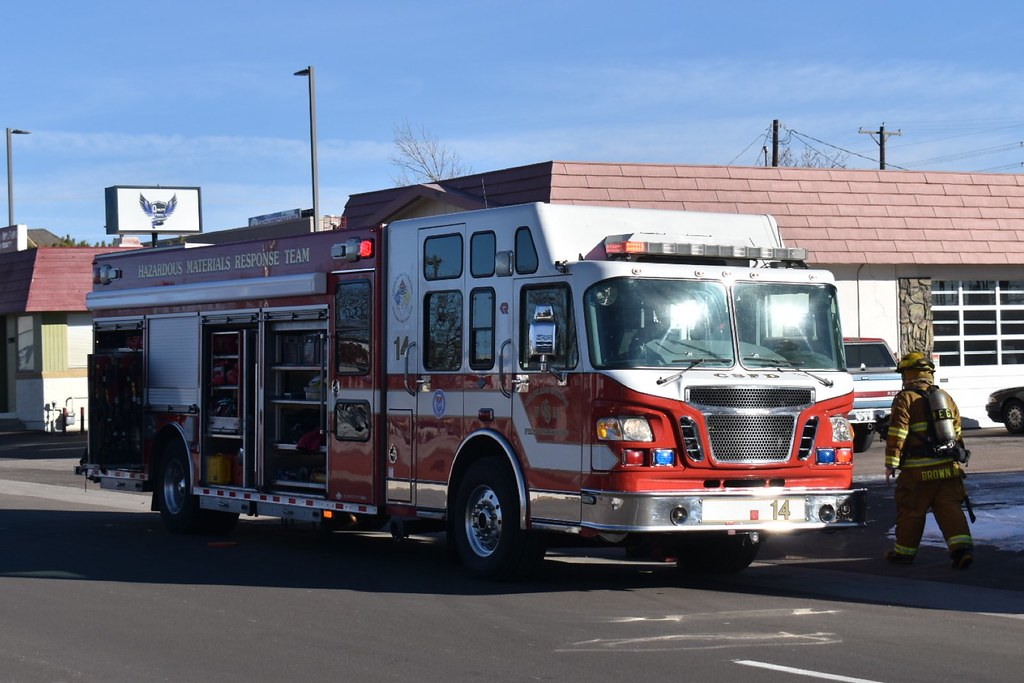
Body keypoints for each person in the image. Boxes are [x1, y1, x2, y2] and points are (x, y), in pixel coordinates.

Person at [884, 351, 974, 569]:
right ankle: (961, 550)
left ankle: (904, 554)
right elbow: (957, 432)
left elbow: (898, 433)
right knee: (950, 509)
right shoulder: (945, 397)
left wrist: (891, 463)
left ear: (908, 374)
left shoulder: (905, 398)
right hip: (947, 469)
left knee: (911, 512)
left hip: (917, 473)